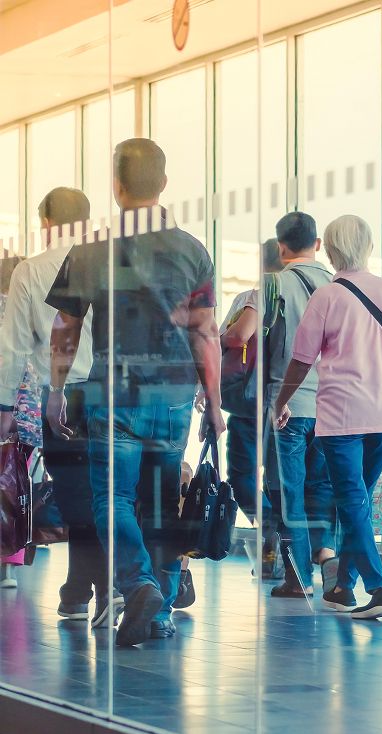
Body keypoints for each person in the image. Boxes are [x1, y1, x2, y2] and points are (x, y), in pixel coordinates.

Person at [46, 138, 224, 647]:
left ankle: (138, 583)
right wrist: (213, 405)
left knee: (113, 498)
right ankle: (160, 610)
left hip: (114, 391)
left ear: (117, 185)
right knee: (163, 504)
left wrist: (57, 389)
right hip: (172, 395)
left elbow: (66, 326)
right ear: (164, 185)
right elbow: (205, 332)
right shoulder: (193, 250)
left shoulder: (93, 248)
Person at [273, 214, 382, 619]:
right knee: (358, 503)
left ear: (331, 250)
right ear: (369, 247)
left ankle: (380, 589)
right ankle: (342, 587)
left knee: (352, 500)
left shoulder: (328, 298)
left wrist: (281, 401)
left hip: (343, 414)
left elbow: (301, 361)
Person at [0, 188, 122, 625]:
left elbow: (13, 347)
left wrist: (4, 405)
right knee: (109, 493)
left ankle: (95, 588)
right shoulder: (111, 263)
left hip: (61, 394)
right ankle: (79, 589)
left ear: (46, 223)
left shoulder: (31, 271)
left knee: (75, 496)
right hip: (113, 392)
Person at [225, 213, 335, 598]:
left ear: (281, 246)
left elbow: (241, 334)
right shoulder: (337, 284)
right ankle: (326, 554)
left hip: (284, 404)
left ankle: (297, 576)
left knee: (286, 492)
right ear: (317, 244)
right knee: (319, 487)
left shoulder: (272, 286)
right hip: (331, 405)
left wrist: (220, 336)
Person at [219, 237, 284, 579]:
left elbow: (238, 337)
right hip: (290, 402)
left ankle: (269, 526)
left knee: (242, 478)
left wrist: (217, 337)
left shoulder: (254, 298)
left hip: (249, 402)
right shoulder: (305, 298)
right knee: (283, 481)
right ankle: (284, 549)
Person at [0, 254, 39, 589]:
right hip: (29, 416)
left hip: (5, 410)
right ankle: (9, 562)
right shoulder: (32, 314)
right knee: (15, 486)